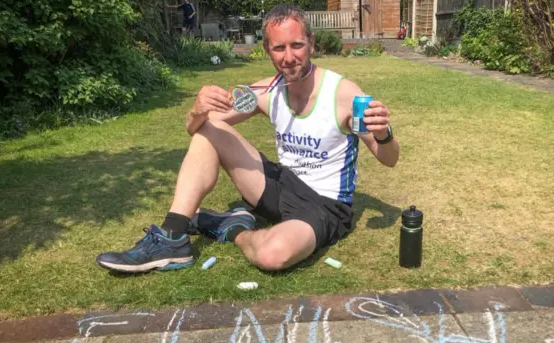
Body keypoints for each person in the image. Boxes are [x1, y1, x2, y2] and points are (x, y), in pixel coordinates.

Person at [95, 4, 400, 273]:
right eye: (279, 48)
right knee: (209, 129)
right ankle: (172, 237)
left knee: (272, 254)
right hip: (281, 186)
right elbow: (200, 128)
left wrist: (383, 134)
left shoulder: (344, 94)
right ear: (267, 50)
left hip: (323, 205)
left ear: (311, 44)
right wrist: (197, 109)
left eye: (297, 45)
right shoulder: (267, 91)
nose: (290, 57)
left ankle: (232, 228)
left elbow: (390, 159)